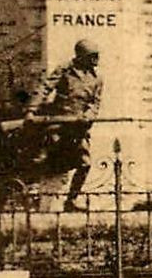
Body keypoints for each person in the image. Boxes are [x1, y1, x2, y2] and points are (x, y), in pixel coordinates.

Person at [22, 40, 103, 210]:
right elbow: (45, 88)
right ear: (81, 56)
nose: (96, 60)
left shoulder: (97, 79)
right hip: (57, 125)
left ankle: (71, 201)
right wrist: (31, 110)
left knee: (84, 164)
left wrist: (88, 116)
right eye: (92, 56)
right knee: (45, 161)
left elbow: (95, 104)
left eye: (97, 56)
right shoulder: (65, 70)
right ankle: (32, 196)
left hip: (78, 129)